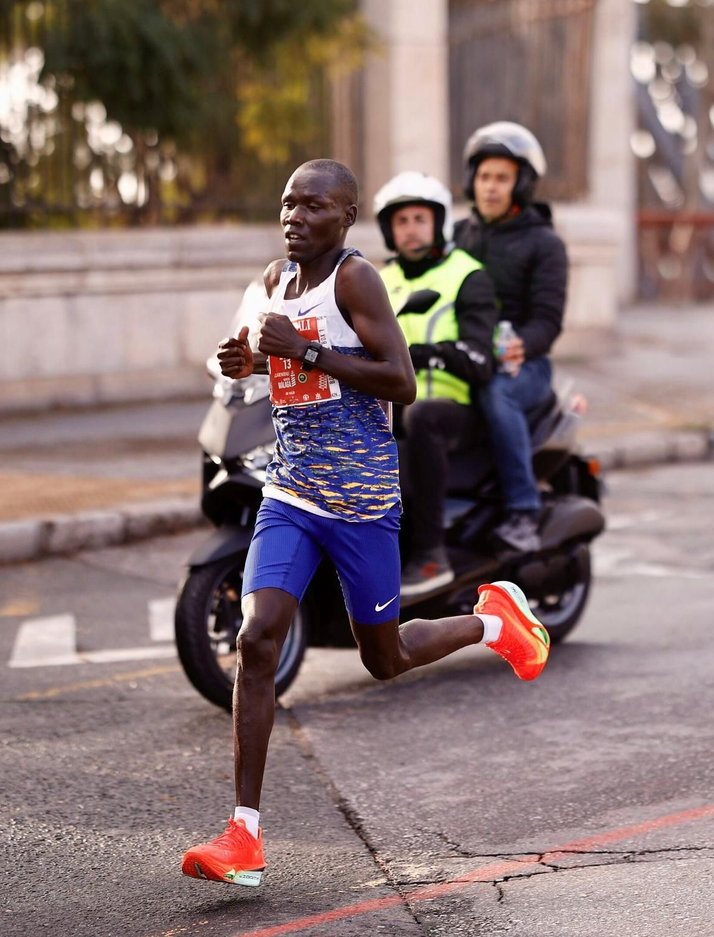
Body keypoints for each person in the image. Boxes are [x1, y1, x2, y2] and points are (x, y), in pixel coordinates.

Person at [181, 159, 552, 889]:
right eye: (288, 204)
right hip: (290, 491)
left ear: (345, 217)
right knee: (258, 641)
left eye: (314, 207)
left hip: (361, 501)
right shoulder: (269, 282)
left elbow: (401, 379)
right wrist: (238, 361)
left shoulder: (355, 280)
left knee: (382, 658)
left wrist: (311, 351)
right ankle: (244, 837)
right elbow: (245, 368)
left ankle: (494, 621)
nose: (296, 218)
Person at [373, 171, 498, 595]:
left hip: (456, 409)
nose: (411, 228)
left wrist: (428, 354)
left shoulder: (467, 275)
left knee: (423, 416)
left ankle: (430, 556)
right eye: (402, 220)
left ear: (439, 223)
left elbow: (481, 359)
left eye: (420, 218)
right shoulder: (378, 281)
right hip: (393, 409)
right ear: (389, 229)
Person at [454, 122, 568, 553]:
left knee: (497, 394)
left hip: (525, 366)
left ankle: (523, 509)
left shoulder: (544, 244)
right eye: (484, 177)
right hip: (466, 353)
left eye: (502, 178)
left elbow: (548, 321)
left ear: (521, 184)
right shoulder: (457, 236)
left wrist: (523, 344)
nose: (491, 188)